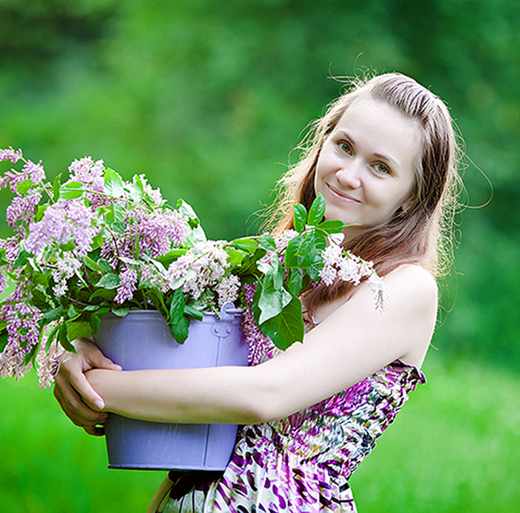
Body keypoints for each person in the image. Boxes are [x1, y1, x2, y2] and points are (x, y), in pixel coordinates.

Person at [53, 71, 461, 512]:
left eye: (380, 167)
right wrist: (81, 355)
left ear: (412, 197)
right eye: (343, 146)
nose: (347, 174)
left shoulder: (403, 289)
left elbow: (264, 394)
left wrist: (101, 389)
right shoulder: (276, 262)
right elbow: (172, 350)